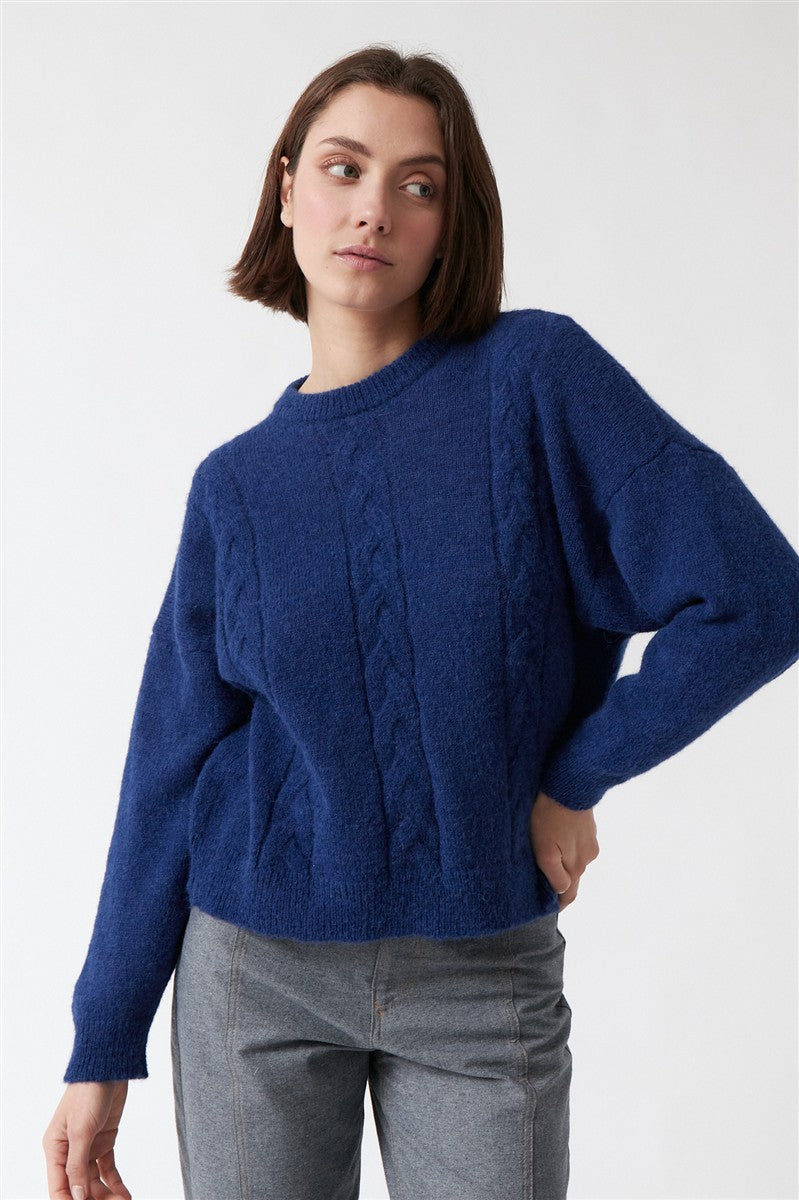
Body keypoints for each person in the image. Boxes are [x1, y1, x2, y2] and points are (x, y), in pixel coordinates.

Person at [43, 43, 799, 1200]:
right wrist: (103, 1040)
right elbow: (167, 770)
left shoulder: (533, 378)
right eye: (343, 169)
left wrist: (576, 774)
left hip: (480, 973)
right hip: (251, 976)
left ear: (453, 223)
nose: (373, 210)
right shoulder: (235, 487)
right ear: (286, 188)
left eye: (419, 184)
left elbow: (757, 596)